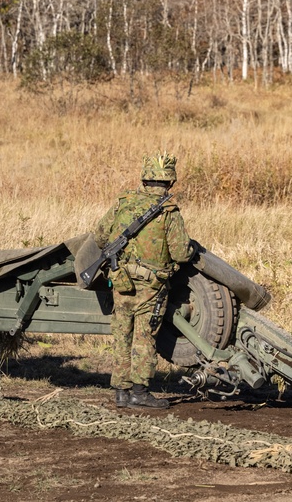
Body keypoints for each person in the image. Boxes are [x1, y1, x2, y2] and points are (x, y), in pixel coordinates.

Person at [94, 152, 194, 410]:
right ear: (170, 182)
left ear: (144, 178)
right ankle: (139, 392)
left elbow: (100, 236)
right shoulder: (168, 211)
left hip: (121, 279)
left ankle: (121, 393)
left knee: (121, 334)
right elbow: (181, 253)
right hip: (151, 287)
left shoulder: (123, 202)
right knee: (144, 337)